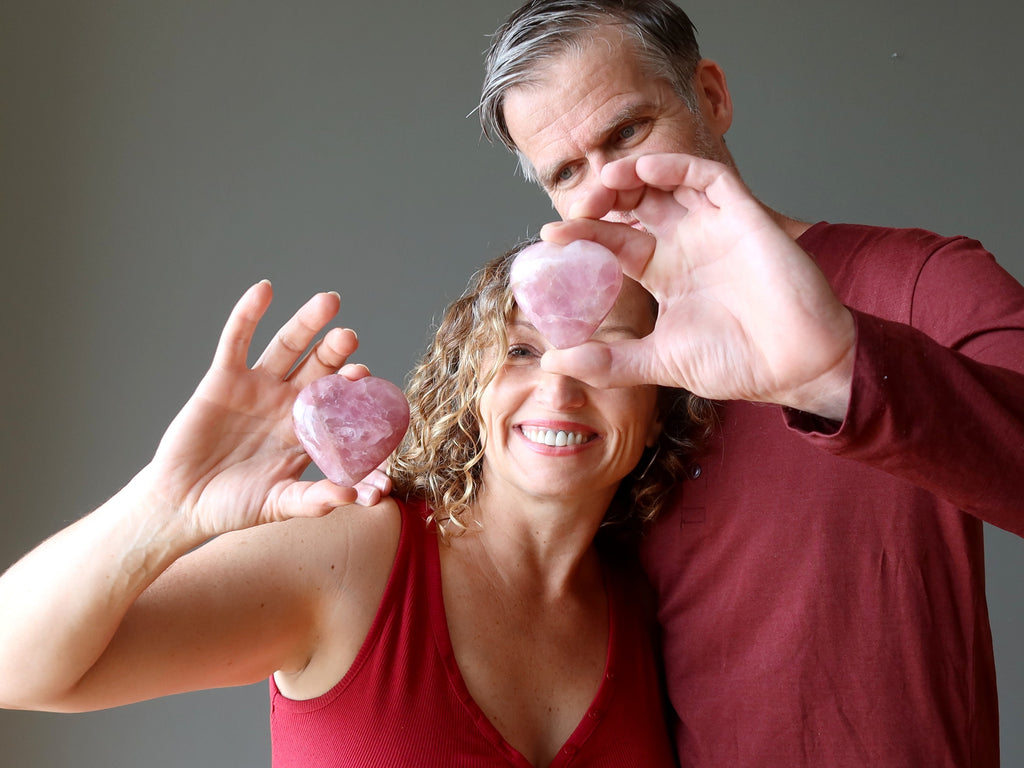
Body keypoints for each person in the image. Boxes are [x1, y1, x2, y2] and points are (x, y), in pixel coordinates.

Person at [479, 1, 1024, 766]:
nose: (608, 191)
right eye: (567, 172)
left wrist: (841, 372)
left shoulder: (920, 281)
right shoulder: (591, 382)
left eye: (627, 133)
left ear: (711, 96)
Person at [0, 243, 712, 767]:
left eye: (607, 353)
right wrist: (166, 502)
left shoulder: (657, 608)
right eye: (522, 350)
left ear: (658, 409)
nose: (560, 388)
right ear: (474, 384)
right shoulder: (354, 557)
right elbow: (13, 669)